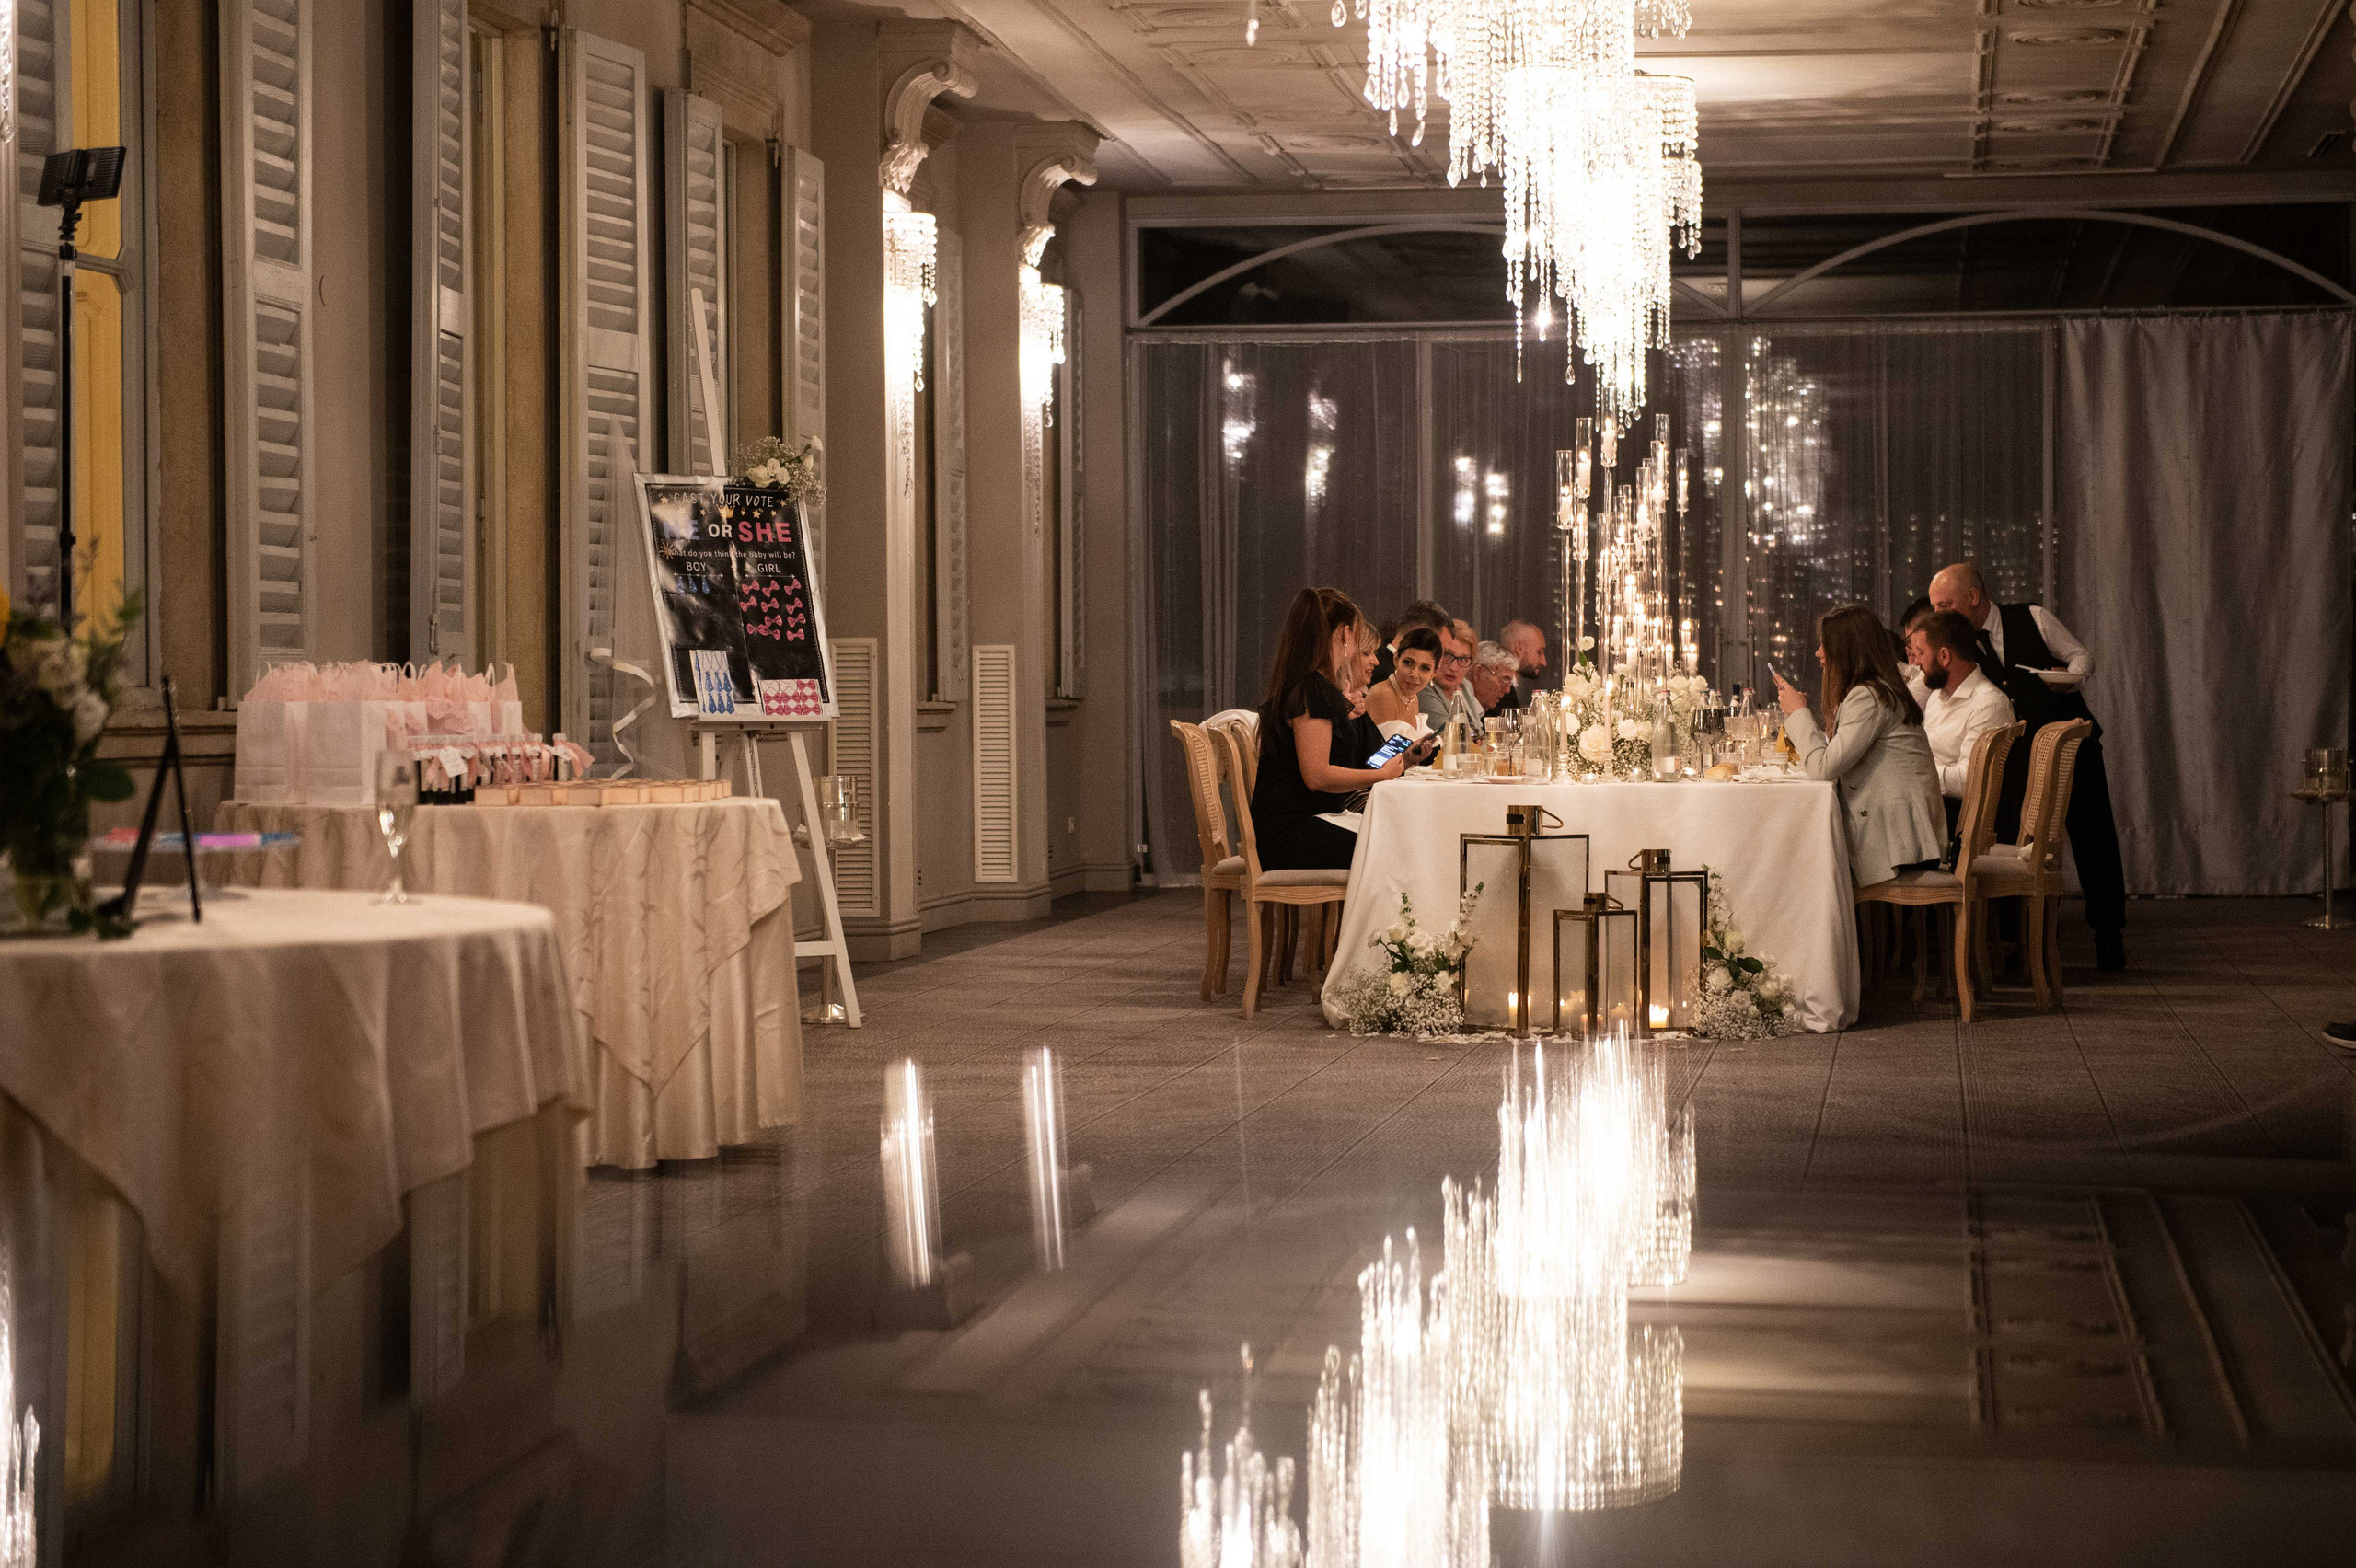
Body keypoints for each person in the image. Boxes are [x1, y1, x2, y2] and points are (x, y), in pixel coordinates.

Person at [1928, 561, 2126, 971]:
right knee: (2015, 839)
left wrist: (2067, 677)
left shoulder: (2032, 617)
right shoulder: (1961, 645)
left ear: (1973, 597)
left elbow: (2082, 657)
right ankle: (2021, 943)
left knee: (2094, 840)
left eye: (1944, 605)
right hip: (2021, 760)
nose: (1939, 614)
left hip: (2074, 747)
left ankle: (2110, 937)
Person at [1251, 587, 1435, 870]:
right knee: (1400, 851)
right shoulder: (1312, 690)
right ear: (1345, 633)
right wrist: (1381, 774)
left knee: (1405, 838)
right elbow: (1317, 776)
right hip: (1292, 832)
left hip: (1306, 820)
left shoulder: (1313, 686)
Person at [1773, 603, 1947, 890]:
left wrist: (1798, 713)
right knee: (1800, 854)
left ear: (1847, 650)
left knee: (1795, 860)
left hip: (1903, 847)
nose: (1818, 653)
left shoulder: (1869, 696)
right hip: (1905, 836)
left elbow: (1823, 768)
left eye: (1825, 645)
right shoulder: (1876, 690)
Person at [1910, 609, 2015, 822]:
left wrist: (1914, 769)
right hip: (1929, 804)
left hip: (1959, 819)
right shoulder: (1937, 696)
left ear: (1944, 656)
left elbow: (1969, 781)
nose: (1916, 663)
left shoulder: (1988, 704)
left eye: (1921, 653)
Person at [1367, 625, 1448, 737]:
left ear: (1434, 672)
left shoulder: (1413, 699)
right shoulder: (1383, 694)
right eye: (1408, 663)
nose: (1414, 674)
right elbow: (1379, 748)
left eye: (1424, 668)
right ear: (1396, 659)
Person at [1371, 598, 1452, 688]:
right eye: (1439, 648)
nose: (1441, 657)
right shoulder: (1388, 678)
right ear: (1419, 633)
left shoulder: (1383, 665)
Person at [1501, 620, 1548, 706]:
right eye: (1539, 652)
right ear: (1519, 648)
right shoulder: (1498, 695)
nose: (1544, 662)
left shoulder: (1512, 690)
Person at [1470, 641, 1520, 716]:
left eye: (1509, 683)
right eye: (1504, 680)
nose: (1507, 690)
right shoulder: (1459, 712)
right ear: (1478, 673)